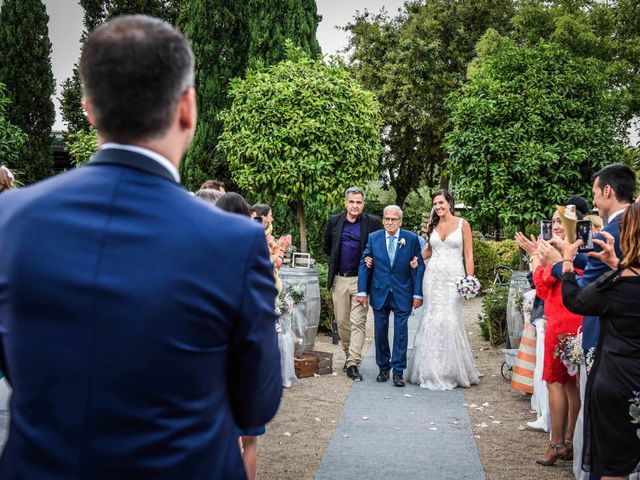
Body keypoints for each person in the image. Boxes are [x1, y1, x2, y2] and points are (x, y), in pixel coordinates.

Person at [0, 16, 281, 479]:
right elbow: (258, 400)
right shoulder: (235, 241)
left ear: (89, 109)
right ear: (187, 108)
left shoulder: (10, 220)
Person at [544, 164, 637, 480]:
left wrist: (562, 263)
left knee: (610, 444)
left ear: (607, 191)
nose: (594, 201)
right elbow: (610, 270)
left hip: (612, 348)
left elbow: (586, 294)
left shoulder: (615, 230)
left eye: (596, 193)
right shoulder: (622, 232)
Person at [518, 198, 588, 466]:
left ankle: (556, 443)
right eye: (553, 220)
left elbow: (542, 285)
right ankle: (569, 441)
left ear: (573, 223)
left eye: (559, 221)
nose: (554, 225)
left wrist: (536, 256)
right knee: (572, 383)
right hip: (579, 318)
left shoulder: (558, 254)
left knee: (556, 381)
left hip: (561, 319)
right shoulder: (581, 250)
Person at [406, 189, 480, 390]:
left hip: (454, 278)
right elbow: (429, 250)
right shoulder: (433, 225)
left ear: (449, 203)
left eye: (441, 203)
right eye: (435, 204)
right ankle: (431, 368)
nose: (438, 207)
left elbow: (469, 254)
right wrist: (417, 259)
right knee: (433, 317)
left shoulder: (463, 224)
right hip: (433, 278)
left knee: (450, 319)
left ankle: (452, 369)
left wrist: (469, 279)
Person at [357, 205, 424, 387]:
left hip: (403, 292)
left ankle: (398, 371)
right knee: (380, 331)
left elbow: (419, 267)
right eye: (387, 218)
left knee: (401, 333)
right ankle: (383, 367)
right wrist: (362, 290)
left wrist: (418, 293)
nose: (390, 222)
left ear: (400, 221)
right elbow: (365, 262)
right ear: (383, 220)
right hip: (379, 291)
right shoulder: (374, 238)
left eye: (394, 219)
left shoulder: (411, 239)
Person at [323, 187, 382, 380]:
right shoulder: (333, 221)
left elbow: (379, 247)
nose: (355, 205)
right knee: (342, 322)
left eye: (359, 202)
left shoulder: (372, 222)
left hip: (361, 279)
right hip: (339, 279)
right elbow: (326, 247)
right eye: (352, 202)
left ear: (363, 204)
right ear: (345, 203)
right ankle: (349, 355)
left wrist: (372, 259)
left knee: (358, 322)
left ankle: (353, 362)